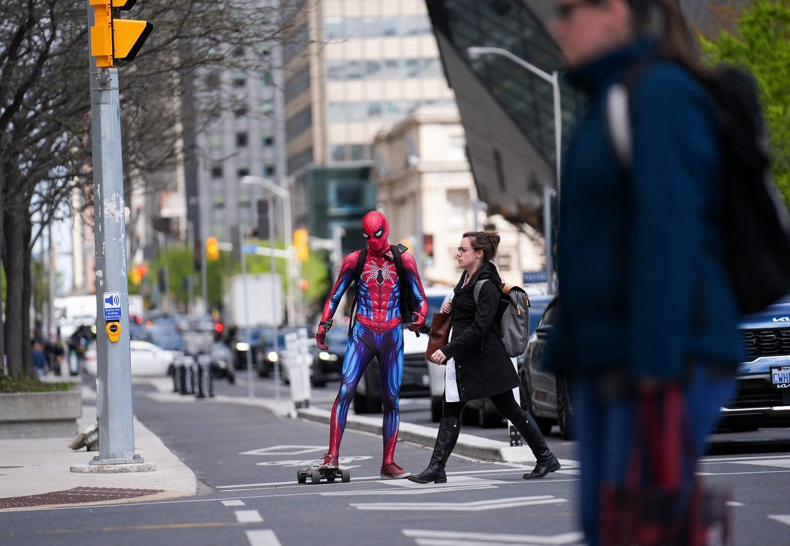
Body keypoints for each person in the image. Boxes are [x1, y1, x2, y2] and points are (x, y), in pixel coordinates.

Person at [546, 1, 743, 543]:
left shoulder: (658, 94)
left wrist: (657, 364)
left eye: (568, 10)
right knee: (611, 525)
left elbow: (670, 230)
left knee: (639, 527)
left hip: (660, 359)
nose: (557, 25)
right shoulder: (608, 98)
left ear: (613, 12)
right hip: (611, 357)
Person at [409, 231, 559, 484]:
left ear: (478, 254)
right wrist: (451, 307)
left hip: (487, 360)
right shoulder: (466, 279)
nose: (458, 253)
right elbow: (467, 315)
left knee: (509, 409)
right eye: (458, 249)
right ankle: (437, 467)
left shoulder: (487, 283)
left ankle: (545, 457)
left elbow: (480, 326)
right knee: (451, 410)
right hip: (467, 360)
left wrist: (447, 350)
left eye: (463, 249)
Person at [312, 211, 427, 478]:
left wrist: (420, 317)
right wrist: (323, 325)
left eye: (377, 235)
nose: (373, 241)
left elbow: (420, 296)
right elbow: (335, 295)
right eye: (367, 236)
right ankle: (332, 456)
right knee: (346, 391)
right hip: (363, 332)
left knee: (391, 399)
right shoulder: (355, 260)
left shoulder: (404, 260)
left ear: (385, 230)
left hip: (392, 333)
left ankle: (388, 462)